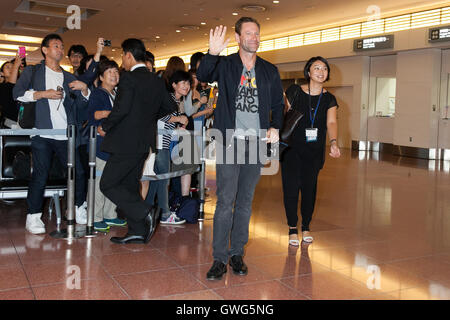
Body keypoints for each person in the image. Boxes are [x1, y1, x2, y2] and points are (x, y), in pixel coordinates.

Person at [197, 17, 284, 280]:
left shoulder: (269, 70)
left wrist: (275, 126)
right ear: (237, 38)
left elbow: (279, 104)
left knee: (245, 202)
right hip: (229, 140)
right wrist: (212, 53)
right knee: (225, 201)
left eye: (257, 34)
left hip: (257, 142)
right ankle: (219, 258)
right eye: (248, 34)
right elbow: (203, 75)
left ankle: (237, 253)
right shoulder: (225, 65)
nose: (254, 38)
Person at [98, 38, 177, 244]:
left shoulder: (129, 79)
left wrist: (105, 126)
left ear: (129, 55)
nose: (122, 60)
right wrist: (148, 116)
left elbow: (121, 109)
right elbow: (170, 107)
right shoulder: (156, 80)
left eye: (123, 55)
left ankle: (146, 211)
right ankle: (137, 230)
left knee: (107, 184)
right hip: (144, 142)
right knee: (130, 185)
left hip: (125, 141)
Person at [13, 33, 90, 234]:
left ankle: (77, 208)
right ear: (45, 50)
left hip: (65, 134)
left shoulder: (68, 76)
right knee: (41, 173)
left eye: (62, 46)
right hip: (42, 133)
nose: (60, 49)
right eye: (56, 45)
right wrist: (43, 94)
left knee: (78, 172)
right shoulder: (33, 71)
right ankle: (33, 215)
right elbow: (17, 93)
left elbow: (81, 108)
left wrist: (84, 91)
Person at [281, 56, 341, 246]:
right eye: (317, 68)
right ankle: (292, 228)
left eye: (324, 68)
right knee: (291, 188)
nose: (321, 71)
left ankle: (306, 226)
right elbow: (284, 115)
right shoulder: (294, 92)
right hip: (292, 149)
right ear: (308, 72)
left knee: (310, 189)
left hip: (314, 150)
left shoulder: (329, 98)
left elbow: (331, 122)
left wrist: (333, 142)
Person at [87, 59, 127, 232]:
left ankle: (110, 214)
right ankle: (95, 217)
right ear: (101, 76)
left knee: (113, 182)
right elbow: (93, 114)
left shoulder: (117, 94)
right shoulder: (98, 93)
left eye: (116, 72)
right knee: (98, 181)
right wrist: (114, 114)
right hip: (101, 147)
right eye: (110, 72)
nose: (114, 75)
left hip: (115, 146)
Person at [144, 71, 189, 225]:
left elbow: (166, 122)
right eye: (182, 83)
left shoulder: (176, 102)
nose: (186, 86)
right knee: (163, 178)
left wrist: (177, 127)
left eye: (188, 83)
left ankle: (147, 211)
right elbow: (158, 115)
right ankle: (165, 214)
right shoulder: (167, 98)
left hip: (162, 142)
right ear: (174, 85)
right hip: (157, 143)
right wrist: (179, 118)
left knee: (157, 179)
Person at [0, 53, 24, 127]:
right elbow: (10, 86)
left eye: (12, 67)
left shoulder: (22, 87)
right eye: (8, 67)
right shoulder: (2, 87)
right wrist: (16, 66)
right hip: (8, 124)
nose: (11, 69)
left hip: (23, 124)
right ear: (2, 73)